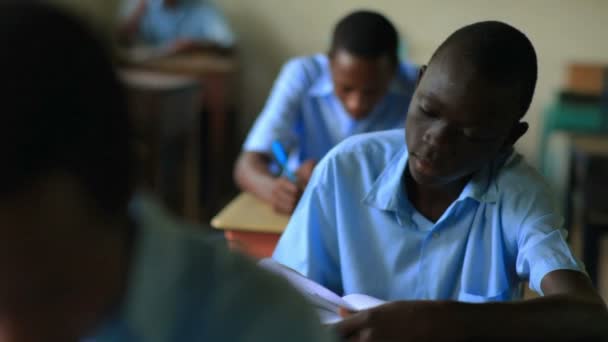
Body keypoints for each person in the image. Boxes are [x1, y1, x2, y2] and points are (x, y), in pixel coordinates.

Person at [0, 3, 332, 341]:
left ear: (117, 188)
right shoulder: (140, 10)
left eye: (46, 295)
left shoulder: (263, 322)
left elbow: (225, 49)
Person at [273, 21, 608, 341]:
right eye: (429, 111)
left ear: (508, 137)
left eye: (468, 132)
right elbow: (283, 298)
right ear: (418, 84)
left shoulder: (518, 194)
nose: (435, 140)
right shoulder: (345, 169)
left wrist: (444, 321)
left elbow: (588, 315)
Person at [235, 10, 418, 214]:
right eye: (346, 89)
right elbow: (247, 166)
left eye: (371, 91)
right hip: (304, 207)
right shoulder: (302, 75)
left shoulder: (417, 89)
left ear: (394, 70)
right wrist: (276, 191)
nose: (355, 104)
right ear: (329, 64)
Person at [119, 0, 235, 55]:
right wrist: (139, 10)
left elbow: (228, 44)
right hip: (147, 77)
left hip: (190, 80)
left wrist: (196, 45)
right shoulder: (140, 5)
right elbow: (121, 41)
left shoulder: (202, 8)